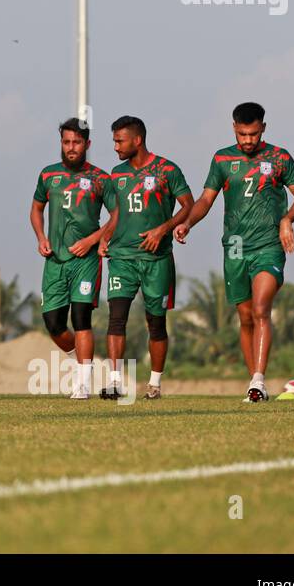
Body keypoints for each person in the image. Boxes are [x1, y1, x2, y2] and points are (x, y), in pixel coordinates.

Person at [174, 102, 294, 403]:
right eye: (242, 134)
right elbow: (206, 200)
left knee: (261, 309)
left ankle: (259, 381)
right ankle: (254, 385)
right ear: (234, 129)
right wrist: (187, 223)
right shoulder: (222, 159)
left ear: (263, 128)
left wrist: (287, 219)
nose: (247, 140)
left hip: (268, 246)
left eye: (253, 134)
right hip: (234, 246)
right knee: (245, 316)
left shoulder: (279, 157)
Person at [98, 116, 194, 401]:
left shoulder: (167, 169)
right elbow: (117, 215)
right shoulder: (116, 174)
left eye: (119, 141)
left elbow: (188, 205)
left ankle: (154, 384)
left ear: (137, 140)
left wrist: (163, 229)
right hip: (122, 258)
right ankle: (115, 382)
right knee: (116, 319)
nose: (115, 146)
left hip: (157, 259)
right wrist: (104, 237)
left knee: (156, 323)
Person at [30, 118, 113, 400]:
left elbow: (118, 217)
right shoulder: (48, 175)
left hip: (86, 261)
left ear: (87, 144)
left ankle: (83, 383)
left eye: (77, 142)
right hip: (55, 260)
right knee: (54, 323)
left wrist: (93, 240)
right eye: (66, 142)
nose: (71, 147)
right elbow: (35, 209)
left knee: (81, 318)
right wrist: (41, 237)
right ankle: (82, 359)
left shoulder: (101, 179)